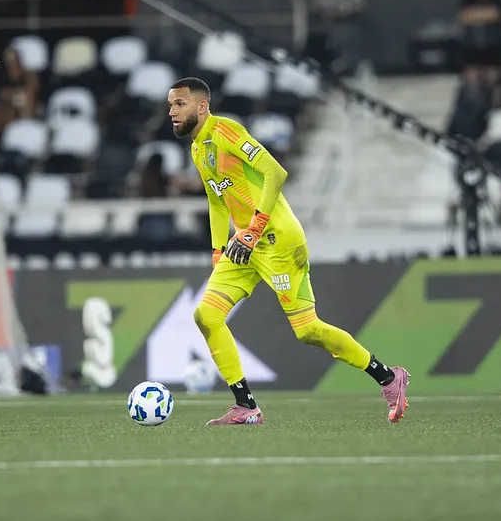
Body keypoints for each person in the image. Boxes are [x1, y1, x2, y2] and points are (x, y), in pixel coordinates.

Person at [167, 77, 410, 426]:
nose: (172, 112)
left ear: (201, 106)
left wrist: (254, 226)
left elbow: (275, 172)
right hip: (244, 247)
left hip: (277, 239)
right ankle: (245, 405)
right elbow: (217, 202)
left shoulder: (226, 132)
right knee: (206, 315)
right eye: (170, 105)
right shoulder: (196, 148)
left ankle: (388, 377)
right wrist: (218, 251)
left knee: (307, 330)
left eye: (180, 104)